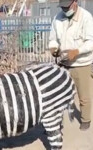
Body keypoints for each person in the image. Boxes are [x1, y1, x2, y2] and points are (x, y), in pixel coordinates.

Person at [49, 0, 93, 130]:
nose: (64, 9)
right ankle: (55, 122)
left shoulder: (86, 18)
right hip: (63, 63)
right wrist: (53, 48)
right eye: (62, 7)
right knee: (58, 95)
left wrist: (77, 51)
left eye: (66, 7)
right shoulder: (57, 18)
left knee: (83, 95)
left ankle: (86, 119)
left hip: (81, 63)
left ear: (75, 2)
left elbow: (91, 42)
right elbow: (53, 38)